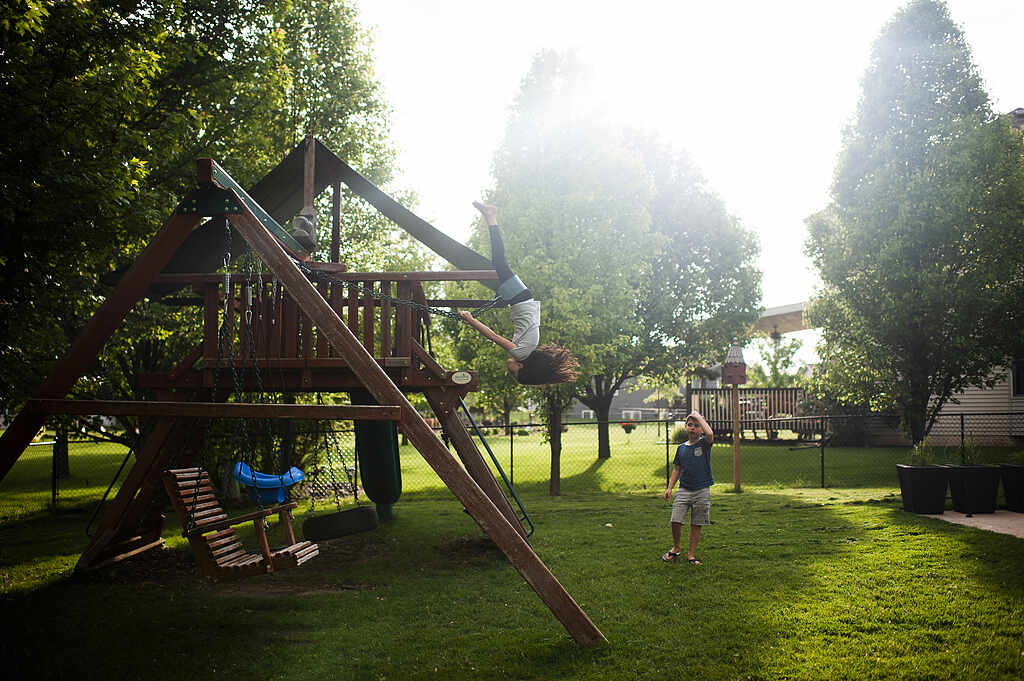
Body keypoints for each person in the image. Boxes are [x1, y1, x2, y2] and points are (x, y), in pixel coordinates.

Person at [459, 201, 579, 385]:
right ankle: (491, 216)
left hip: (519, 299)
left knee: (499, 263)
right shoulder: (520, 353)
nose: (510, 372)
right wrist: (470, 320)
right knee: (499, 261)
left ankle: (490, 217)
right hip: (519, 298)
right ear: (521, 367)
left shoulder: (527, 350)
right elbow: (493, 336)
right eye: (513, 374)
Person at [662, 411, 715, 564]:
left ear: (701, 428)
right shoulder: (681, 448)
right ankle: (676, 548)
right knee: (676, 520)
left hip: (702, 490)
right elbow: (677, 469)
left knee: (696, 523)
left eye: (697, 426)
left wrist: (699, 416)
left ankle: (691, 555)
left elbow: (710, 433)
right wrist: (670, 488)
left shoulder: (704, 444)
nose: (693, 428)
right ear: (685, 427)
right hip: (684, 489)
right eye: (690, 425)